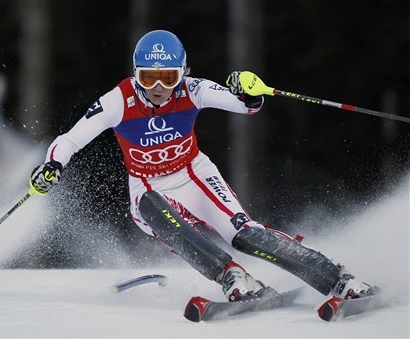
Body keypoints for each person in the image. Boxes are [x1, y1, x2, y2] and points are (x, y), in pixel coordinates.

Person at [30, 30, 376, 302]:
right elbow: (71, 139)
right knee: (156, 211)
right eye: (149, 78)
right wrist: (52, 165)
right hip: (148, 188)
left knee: (245, 235)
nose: (159, 88)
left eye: (169, 77)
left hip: (194, 174)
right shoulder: (119, 100)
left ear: (183, 74)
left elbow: (246, 106)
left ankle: (337, 278)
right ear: (136, 76)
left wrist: (248, 90)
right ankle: (232, 277)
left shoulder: (192, 90)